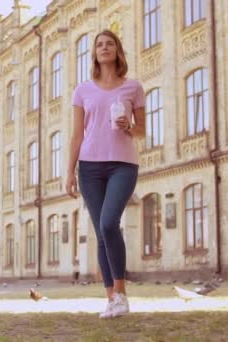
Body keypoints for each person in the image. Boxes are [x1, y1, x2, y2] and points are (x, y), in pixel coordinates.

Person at [66, 29, 145, 319]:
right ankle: (111, 298)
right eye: (99, 44)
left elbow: (142, 130)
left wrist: (127, 126)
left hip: (123, 164)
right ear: (95, 53)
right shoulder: (82, 90)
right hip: (89, 167)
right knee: (101, 232)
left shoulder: (133, 87)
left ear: (118, 50)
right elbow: (76, 135)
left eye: (109, 43)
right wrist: (69, 172)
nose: (104, 47)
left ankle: (122, 294)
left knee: (110, 223)